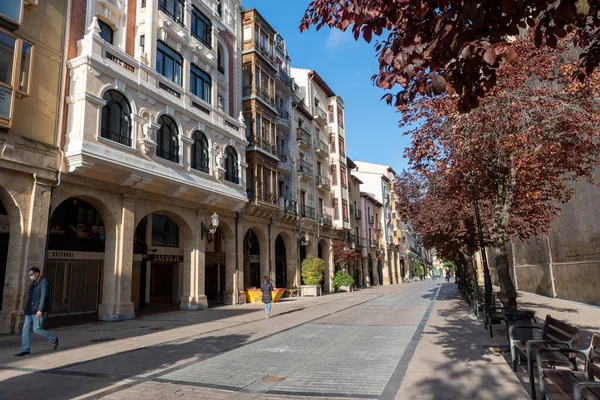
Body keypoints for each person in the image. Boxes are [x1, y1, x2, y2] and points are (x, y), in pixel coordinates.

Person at [15, 267, 59, 356]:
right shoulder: (33, 284)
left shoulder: (44, 282)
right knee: (25, 330)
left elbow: (44, 296)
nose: (30, 276)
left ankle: (54, 339)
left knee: (37, 329)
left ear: (37, 273)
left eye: (31, 274)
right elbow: (30, 297)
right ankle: (25, 349)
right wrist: (26, 309)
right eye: (29, 275)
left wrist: (40, 309)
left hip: (37, 310)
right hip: (29, 310)